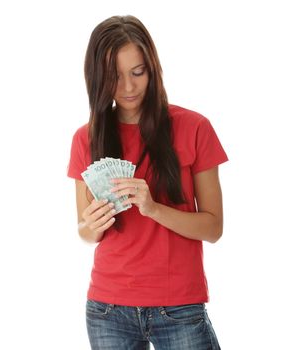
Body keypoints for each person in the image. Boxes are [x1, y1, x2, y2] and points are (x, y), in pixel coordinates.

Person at [67, 15, 228, 350]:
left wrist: (153, 208)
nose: (128, 87)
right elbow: (84, 231)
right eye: (115, 76)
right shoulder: (86, 138)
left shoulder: (194, 127)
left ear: (152, 68)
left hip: (179, 307)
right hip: (108, 310)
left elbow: (213, 228)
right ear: (98, 78)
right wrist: (93, 225)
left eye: (137, 72)